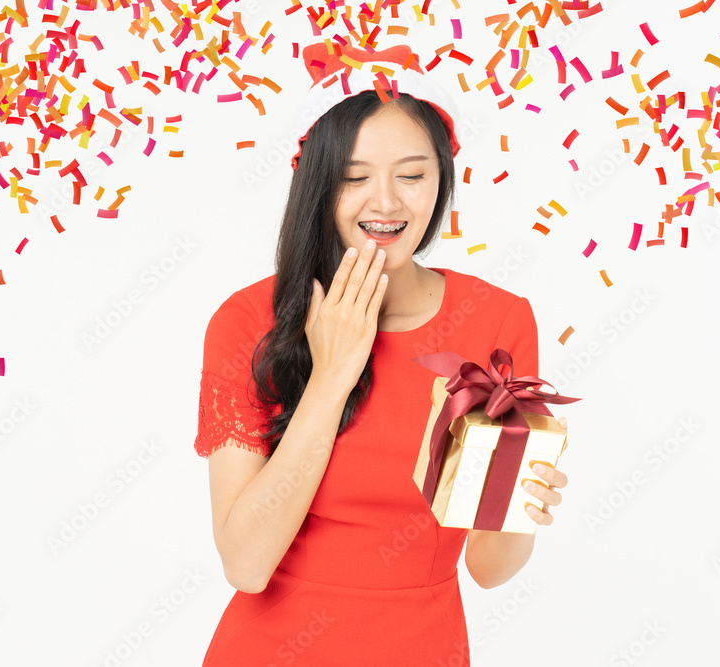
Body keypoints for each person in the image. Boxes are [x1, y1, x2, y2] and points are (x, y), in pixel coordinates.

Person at [194, 41, 569, 666]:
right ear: (318, 183)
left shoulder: (498, 320)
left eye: (413, 175)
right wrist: (332, 373)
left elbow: (489, 569)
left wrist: (518, 506)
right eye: (355, 176)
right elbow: (246, 563)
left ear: (442, 180)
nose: (387, 203)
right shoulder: (246, 323)